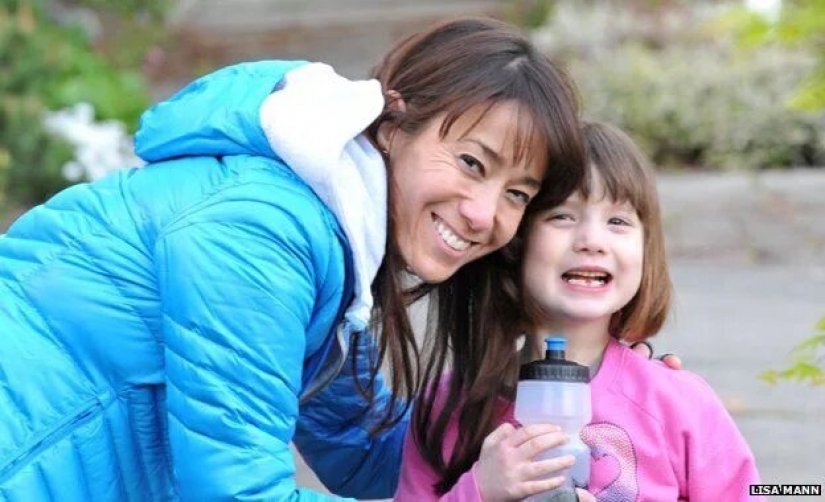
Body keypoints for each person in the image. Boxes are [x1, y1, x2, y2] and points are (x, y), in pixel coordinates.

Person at [395, 121, 761, 501]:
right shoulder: (446, 407)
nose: (592, 241)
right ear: (513, 241)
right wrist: (480, 491)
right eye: (562, 216)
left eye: (618, 221)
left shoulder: (678, 403)